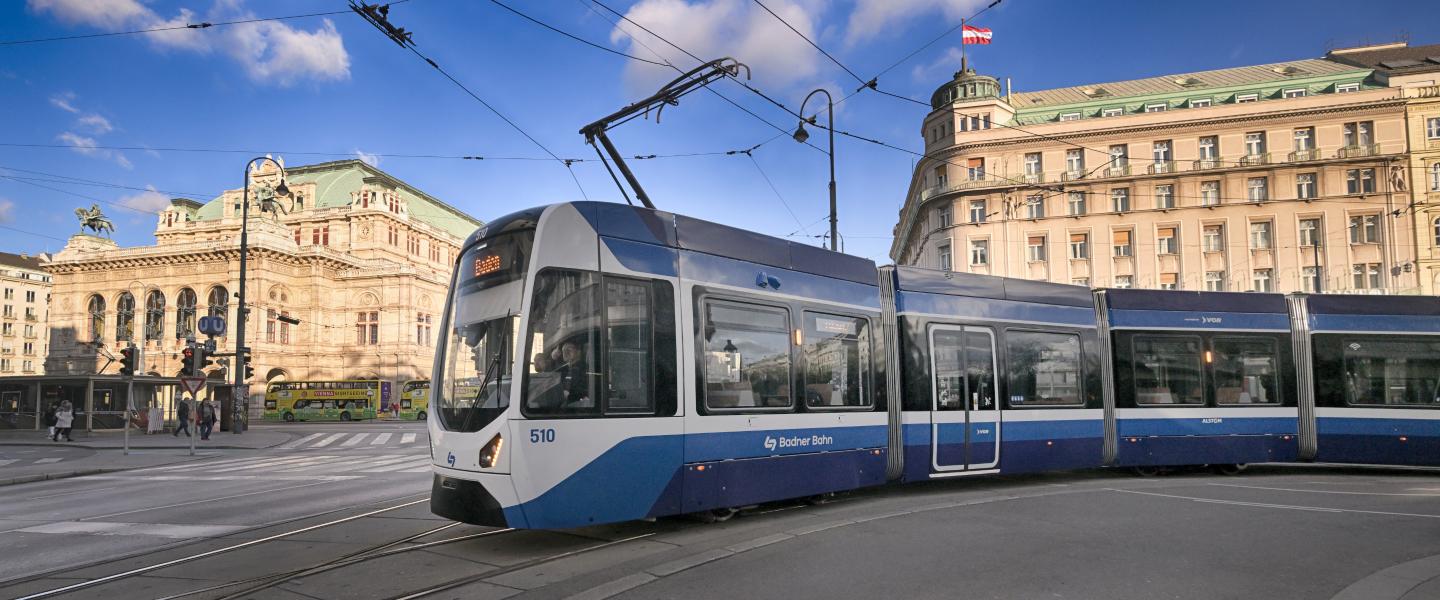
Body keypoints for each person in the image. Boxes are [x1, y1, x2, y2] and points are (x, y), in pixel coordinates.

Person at [555, 340, 591, 407]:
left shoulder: (586, 369)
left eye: (569, 350)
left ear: (578, 352)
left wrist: (568, 397)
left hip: (577, 405)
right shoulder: (561, 370)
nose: (565, 352)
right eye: (563, 351)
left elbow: (583, 390)